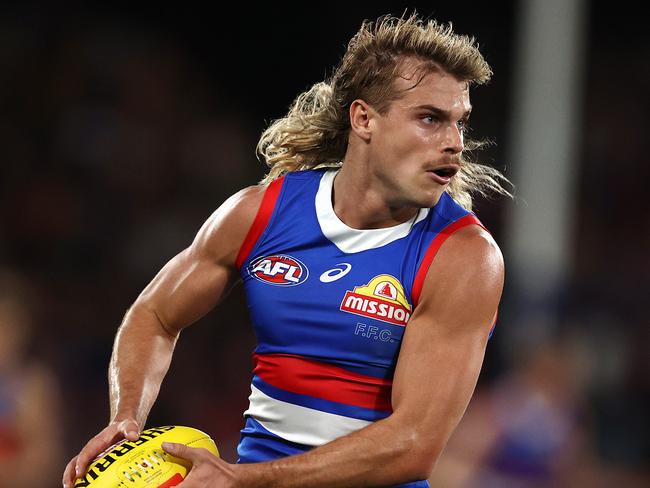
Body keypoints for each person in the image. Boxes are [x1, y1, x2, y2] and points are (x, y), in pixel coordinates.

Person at [63, 12, 509, 487]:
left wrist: (247, 480)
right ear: (363, 119)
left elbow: (413, 445)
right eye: (430, 119)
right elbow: (153, 315)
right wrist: (126, 418)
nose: (454, 143)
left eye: (460, 123)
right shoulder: (262, 213)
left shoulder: (463, 257)